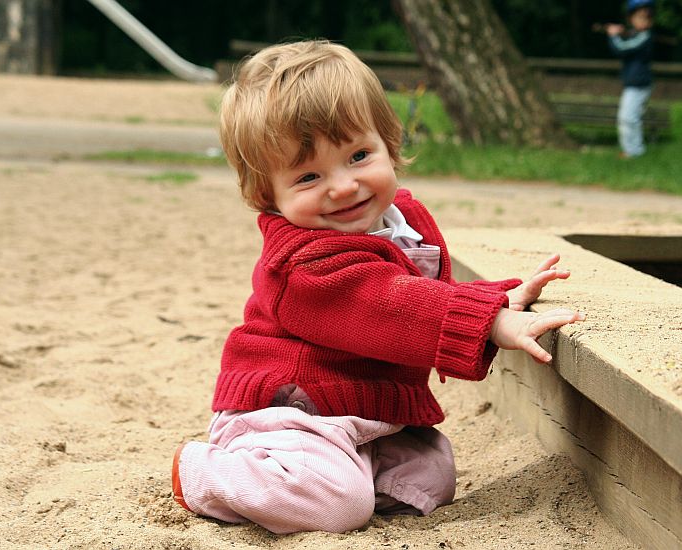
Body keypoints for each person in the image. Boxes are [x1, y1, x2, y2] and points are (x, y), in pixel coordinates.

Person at [171, 40, 585, 534]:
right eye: (308, 176)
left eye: (358, 155)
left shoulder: (401, 221)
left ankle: (350, 471)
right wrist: (488, 321)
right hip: (294, 409)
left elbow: (421, 291)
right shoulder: (302, 262)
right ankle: (204, 471)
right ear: (269, 195)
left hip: (366, 408)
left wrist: (499, 298)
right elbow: (384, 304)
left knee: (430, 477)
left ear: (388, 143)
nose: (343, 186)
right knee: (339, 506)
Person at [606, 0, 655, 158]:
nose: (643, 21)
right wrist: (620, 34)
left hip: (639, 85)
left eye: (646, 18)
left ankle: (634, 151)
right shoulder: (635, 35)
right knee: (626, 118)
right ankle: (630, 150)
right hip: (632, 84)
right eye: (639, 17)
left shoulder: (644, 36)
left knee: (629, 118)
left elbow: (622, 49)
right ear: (631, 19)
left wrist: (613, 37)